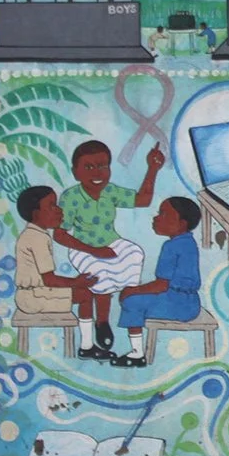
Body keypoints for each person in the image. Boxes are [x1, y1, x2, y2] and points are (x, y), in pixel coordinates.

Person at [51, 139, 164, 359]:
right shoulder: (71, 197)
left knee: (135, 253)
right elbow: (60, 234)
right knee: (99, 270)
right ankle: (102, 322)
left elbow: (142, 200)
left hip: (111, 241)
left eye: (103, 166)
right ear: (76, 172)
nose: (97, 172)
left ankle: (127, 305)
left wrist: (152, 168)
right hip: (81, 246)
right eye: (89, 167)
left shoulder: (109, 191)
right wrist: (94, 251)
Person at [109, 196, 205, 367]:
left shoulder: (172, 246)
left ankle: (137, 354)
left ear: (182, 223)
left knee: (132, 301)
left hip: (179, 304)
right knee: (135, 297)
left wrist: (132, 290)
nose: (156, 218)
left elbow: (162, 284)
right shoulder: (187, 242)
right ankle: (137, 353)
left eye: (164, 214)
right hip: (189, 302)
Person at [12, 185, 93, 325]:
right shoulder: (37, 238)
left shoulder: (33, 233)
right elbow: (49, 280)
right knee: (85, 295)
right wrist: (76, 282)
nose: (59, 210)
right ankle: (87, 340)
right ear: (36, 214)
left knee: (82, 291)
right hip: (33, 298)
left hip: (33, 294)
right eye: (52, 206)